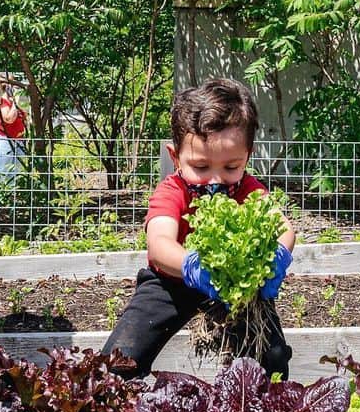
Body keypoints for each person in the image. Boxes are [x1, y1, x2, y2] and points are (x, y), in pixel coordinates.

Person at [102, 78, 296, 378]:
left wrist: (278, 256)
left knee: (271, 357)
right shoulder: (172, 190)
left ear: (249, 155)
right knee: (120, 360)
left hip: (237, 290)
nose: (216, 180)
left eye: (231, 167)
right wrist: (193, 266)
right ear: (175, 156)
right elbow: (160, 243)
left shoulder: (249, 189)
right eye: (201, 167)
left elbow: (283, 228)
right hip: (173, 282)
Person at [0, 81, 27, 175]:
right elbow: (8, 119)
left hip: (18, 141)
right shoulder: (2, 102)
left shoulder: (13, 103)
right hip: (6, 141)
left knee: (15, 174)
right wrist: (15, 101)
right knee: (2, 173)